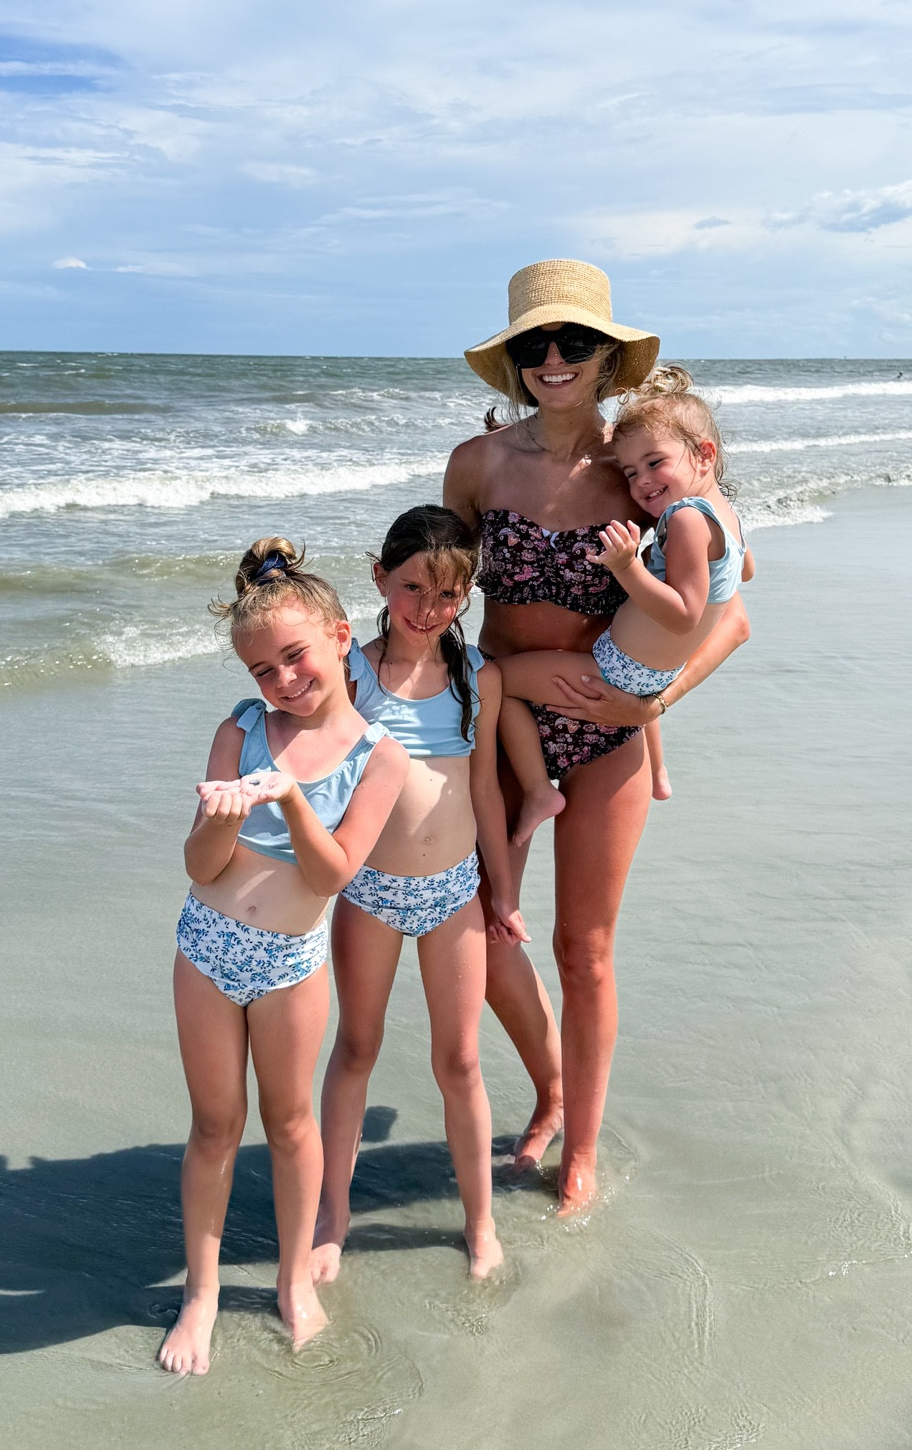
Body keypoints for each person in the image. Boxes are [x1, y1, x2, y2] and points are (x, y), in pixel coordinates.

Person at [443, 260, 751, 1214]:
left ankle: (580, 1147)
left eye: (573, 341)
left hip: (607, 731)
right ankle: (551, 1086)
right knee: (481, 932)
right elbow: (439, 598)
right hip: (499, 722)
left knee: (586, 949)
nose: (553, 359)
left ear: (606, 356)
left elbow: (728, 615)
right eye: (533, 345)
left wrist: (656, 704)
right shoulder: (477, 463)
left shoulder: (643, 467)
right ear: (513, 363)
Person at [158, 539, 409, 1376]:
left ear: (341, 637)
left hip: (291, 963)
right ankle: (200, 1294)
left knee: (290, 1123)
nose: (283, 680)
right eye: (264, 669)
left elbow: (334, 874)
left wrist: (293, 799)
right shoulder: (239, 728)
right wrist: (225, 813)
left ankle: (294, 1280)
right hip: (207, 949)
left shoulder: (382, 755)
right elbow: (200, 866)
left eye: (295, 656)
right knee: (213, 1125)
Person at [312, 507, 525, 1284]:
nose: (427, 608)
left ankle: (480, 1222)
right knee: (357, 1048)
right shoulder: (351, 674)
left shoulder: (479, 677)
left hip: (454, 897)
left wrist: (503, 893)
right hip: (368, 891)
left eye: (446, 594)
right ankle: (331, 1217)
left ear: (465, 595)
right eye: (411, 588)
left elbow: (486, 795)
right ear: (379, 578)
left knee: (460, 1060)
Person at [497, 365, 754, 844]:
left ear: (704, 454)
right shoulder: (726, 516)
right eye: (632, 472)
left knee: (495, 680)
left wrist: (627, 567)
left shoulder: (685, 520)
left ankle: (538, 792)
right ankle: (658, 774)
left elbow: (684, 615)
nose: (642, 483)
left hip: (616, 670)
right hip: (654, 674)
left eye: (655, 463)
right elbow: (745, 570)